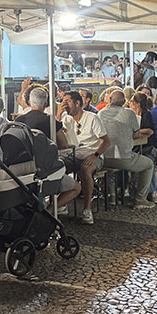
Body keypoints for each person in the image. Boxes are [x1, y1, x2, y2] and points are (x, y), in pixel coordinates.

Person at [98, 90, 155, 208]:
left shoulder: (101, 113)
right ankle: (140, 199)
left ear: (109, 100)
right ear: (124, 102)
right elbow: (136, 135)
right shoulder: (129, 113)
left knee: (112, 167)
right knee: (149, 164)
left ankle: (112, 197)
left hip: (103, 157)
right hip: (123, 158)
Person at [59, 91, 109, 224]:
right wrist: (58, 114)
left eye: (67, 101)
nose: (65, 104)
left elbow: (106, 141)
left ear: (77, 103)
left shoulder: (92, 118)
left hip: (92, 154)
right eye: (63, 101)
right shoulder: (66, 118)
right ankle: (61, 202)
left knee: (85, 170)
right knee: (58, 167)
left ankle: (87, 209)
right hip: (73, 154)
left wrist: (95, 155)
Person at [129, 92, 157, 203]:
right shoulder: (131, 115)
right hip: (135, 148)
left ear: (137, 104)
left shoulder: (146, 115)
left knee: (149, 162)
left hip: (148, 147)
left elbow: (150, 130)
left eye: (131, 103)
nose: (130, 105)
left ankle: (152, 191)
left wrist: (136, 132)